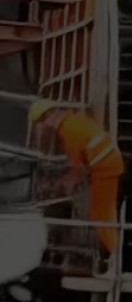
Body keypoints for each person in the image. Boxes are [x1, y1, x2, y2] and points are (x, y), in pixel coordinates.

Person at [29, 99, 124, 257]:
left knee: (101, 214)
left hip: (105, 168)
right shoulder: (75, 119)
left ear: (48, 117)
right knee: (104, 212)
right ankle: (115, 252)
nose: (44, 127)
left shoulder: (68, 131)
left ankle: (115, 255)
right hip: (107, 164)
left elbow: (77, 168)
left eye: (42, 122)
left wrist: (64, 185)